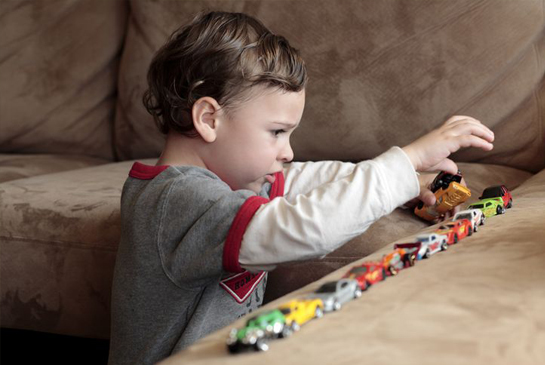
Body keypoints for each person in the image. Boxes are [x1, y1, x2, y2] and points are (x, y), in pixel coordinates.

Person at [108, 11, 494, 365]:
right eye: (276, 132)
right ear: (209, 118)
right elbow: (306, 228)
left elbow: (304, 179)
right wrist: (406, 159)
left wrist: (409, 183)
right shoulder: (177, 200)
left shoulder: (228, 183)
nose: (288, 151)